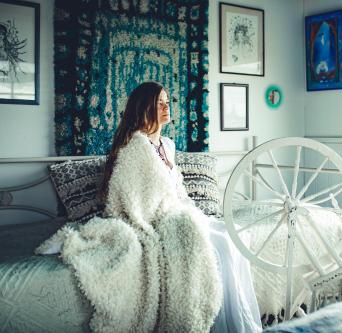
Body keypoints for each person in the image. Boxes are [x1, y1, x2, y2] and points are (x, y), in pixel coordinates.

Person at [101, 81, 262, 333]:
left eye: (168, 102)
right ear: (145, 109)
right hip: (159, 219)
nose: (166, 107)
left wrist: (194, 212)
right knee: (218, 247)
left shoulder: (168, 145)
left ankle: (240, 322)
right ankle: (220, 326)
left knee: (233, 237)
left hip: (180, 211)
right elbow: (132, 197)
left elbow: (177, 191)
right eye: (159, 103)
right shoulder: (134, 149)